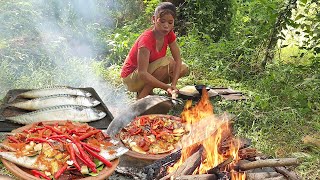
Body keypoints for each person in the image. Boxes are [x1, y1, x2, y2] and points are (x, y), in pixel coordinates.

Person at [120, 2, 189, 99]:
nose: (166, 26)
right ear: (154, 19)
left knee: (183, 68)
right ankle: (142, 97)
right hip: (131, 79)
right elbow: (142, 73)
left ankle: (147, 91)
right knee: (166, 62)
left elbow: (178, 60)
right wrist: (167, 87)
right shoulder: (146, 39)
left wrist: (173, 85)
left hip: (147, 73)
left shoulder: (169, 34)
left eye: (170, 22)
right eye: (162, 21)